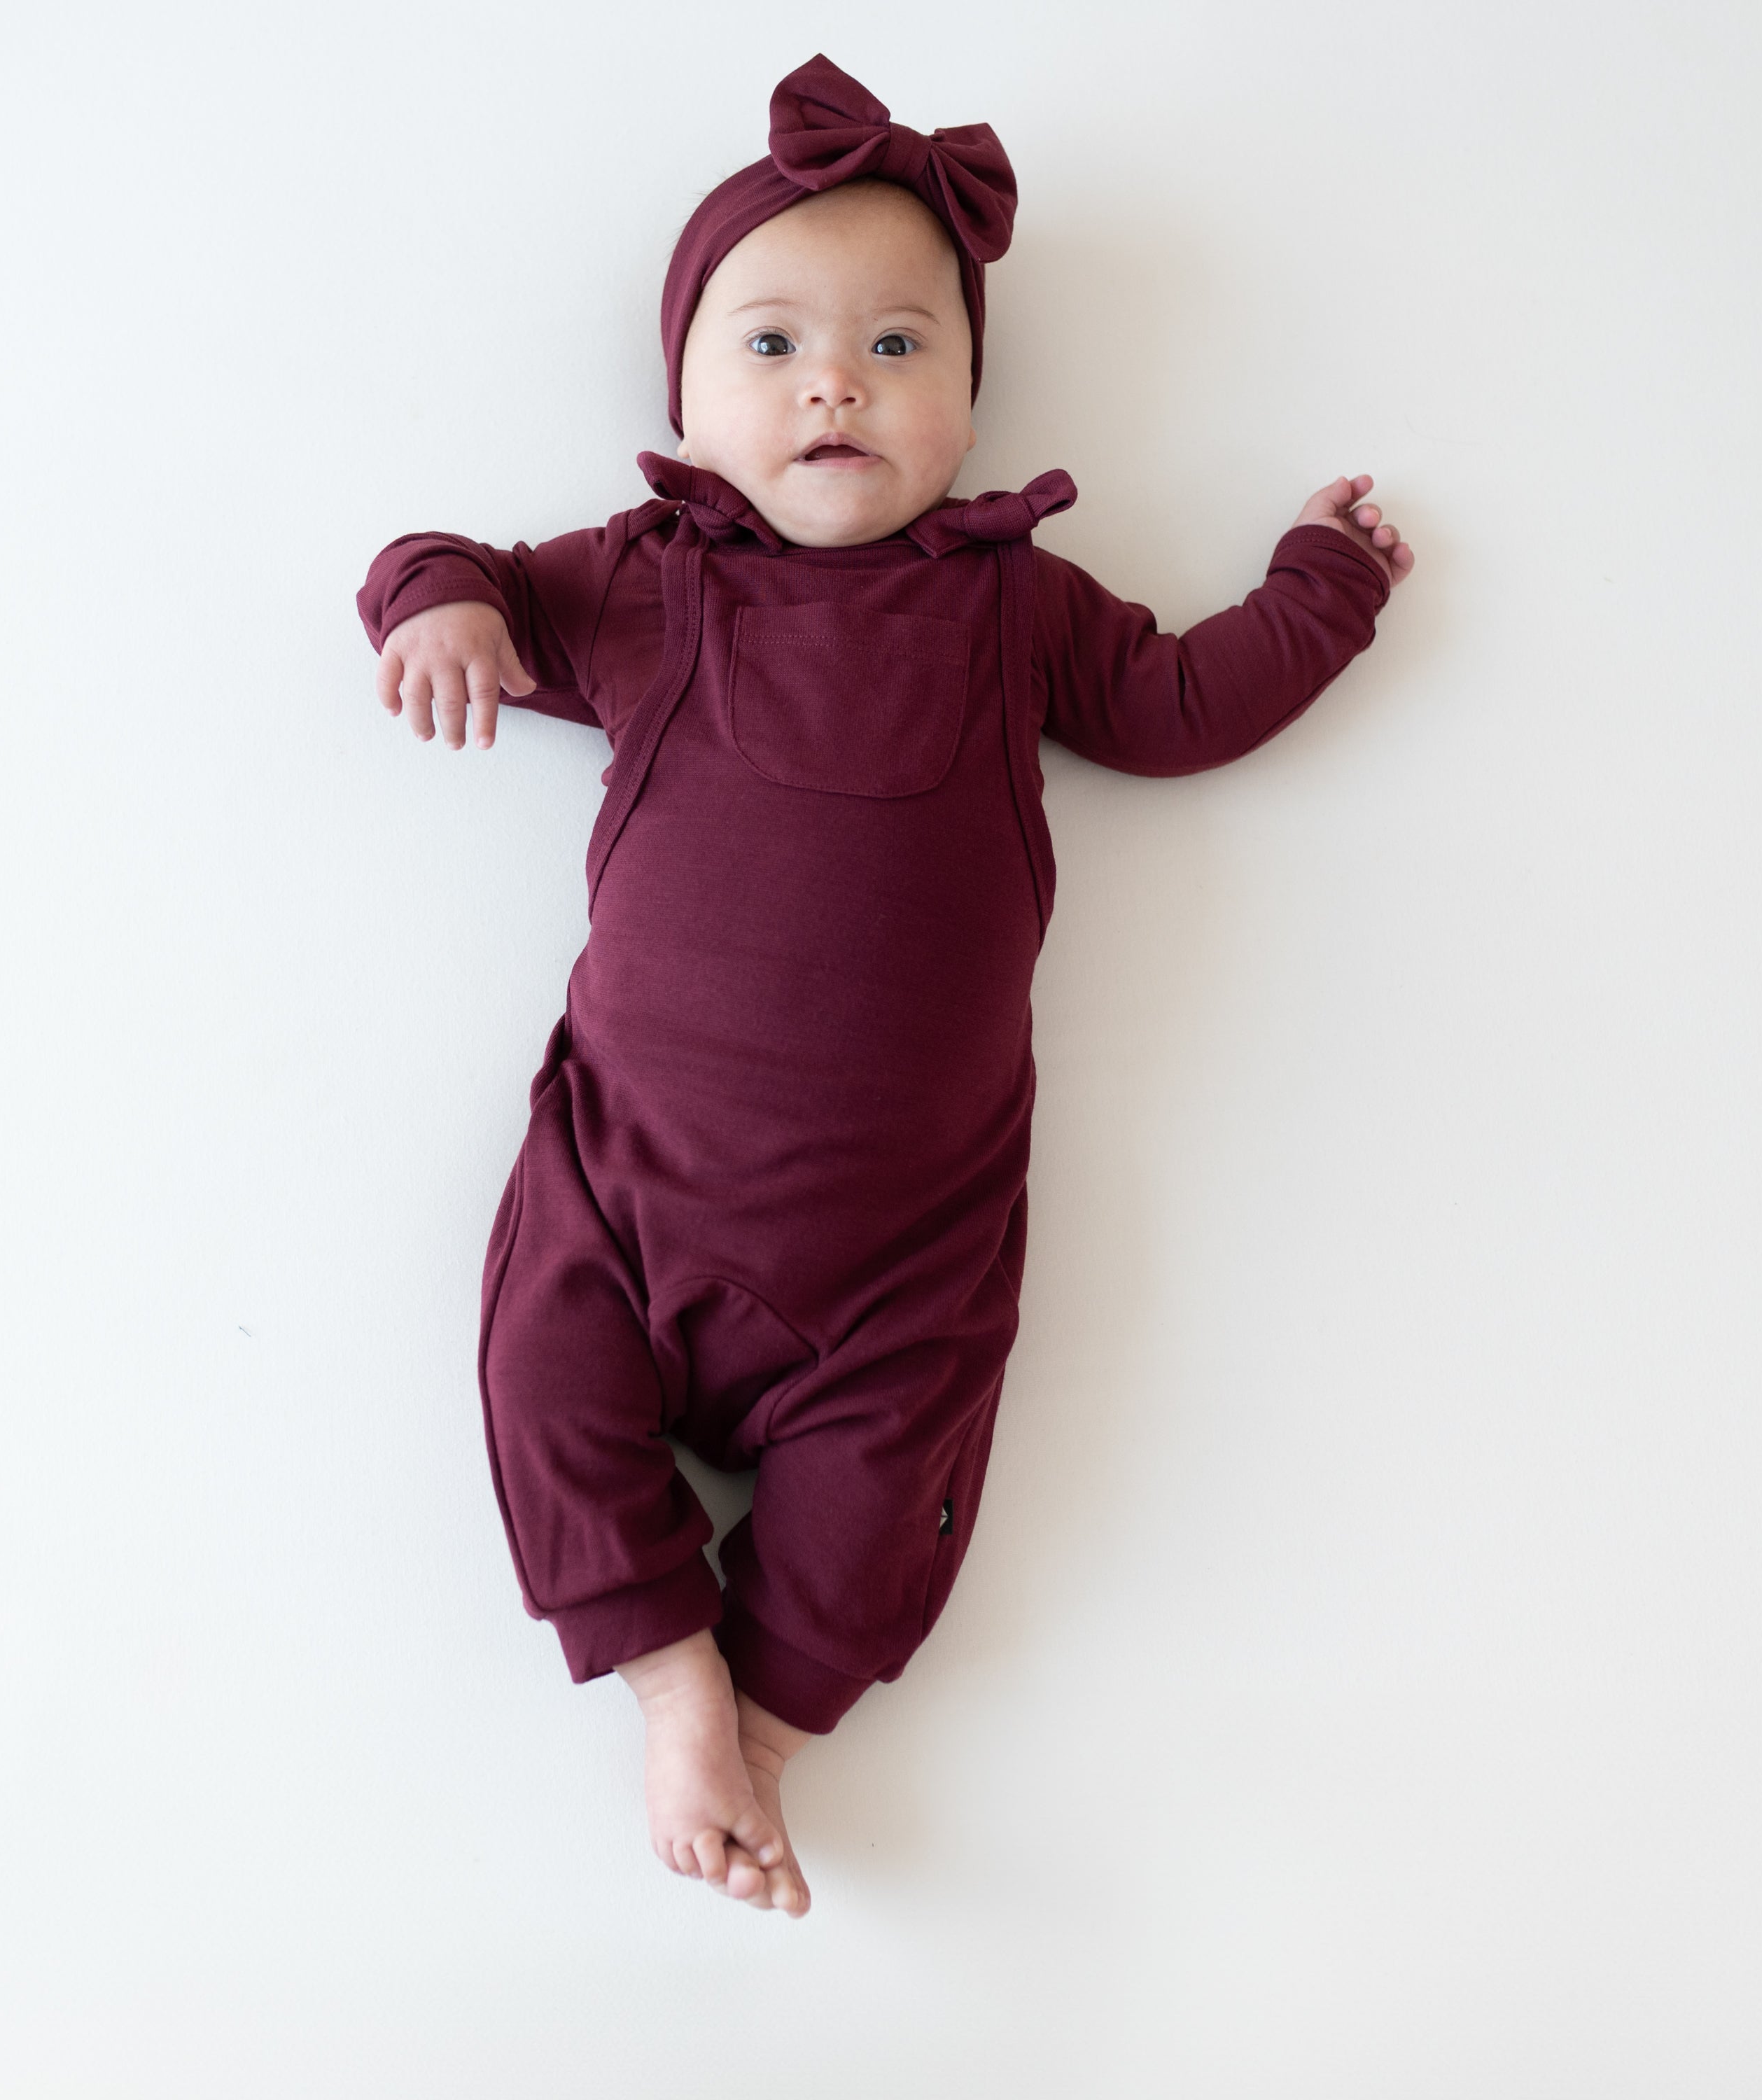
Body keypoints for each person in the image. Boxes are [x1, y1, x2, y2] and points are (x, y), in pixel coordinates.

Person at [356, 54, 1413, 1918]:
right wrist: (431, 602)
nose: (834, 383)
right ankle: (665, 1675)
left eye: (897, 346)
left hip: (901, 1247)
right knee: (539, 1367)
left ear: (971, 401)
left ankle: (761, 1727)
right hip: (634, 1183)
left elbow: (1178, 705)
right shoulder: (653, 583)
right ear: (685, 402)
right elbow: (474, 569)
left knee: (888, 1491)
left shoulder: (1017, 604)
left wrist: (1321, 587)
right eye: (771, 345)